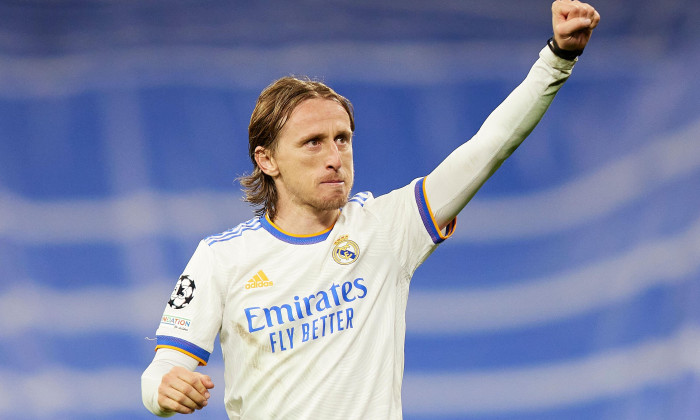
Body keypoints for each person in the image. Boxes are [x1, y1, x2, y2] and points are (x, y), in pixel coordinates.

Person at [141, 1, 600, 418]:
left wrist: (556, 60)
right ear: (267, 160)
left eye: (342, 139)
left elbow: (487, 150)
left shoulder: (387, 227)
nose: (334, 156)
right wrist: (164, 388)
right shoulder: (220, 259)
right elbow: (165, 365)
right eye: (313, 142)